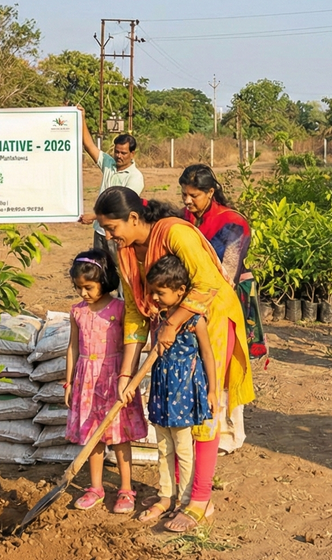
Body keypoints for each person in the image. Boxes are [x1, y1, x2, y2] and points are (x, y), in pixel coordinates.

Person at [94, 187, 254, 534]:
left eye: (111, 228)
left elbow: (208, 283)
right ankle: (171, 496)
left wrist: (174, 321)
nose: (108, 236)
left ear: (133, 218)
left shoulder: (175, 233)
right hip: (170, 332)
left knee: (204, 411)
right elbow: (137, 312)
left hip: (208, 322)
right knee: (172, 419)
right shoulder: (124, 254)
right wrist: (126, 373)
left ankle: (200, 500)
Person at [181, 164, 264, 451]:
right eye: (184, 195)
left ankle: (226, 434)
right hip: (193, 301)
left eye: (193, 195)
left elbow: (227, 271)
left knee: (221, 366)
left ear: (210, 192)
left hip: (221, 302)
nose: (187, 201)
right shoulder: (187, 218)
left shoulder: (232, 223)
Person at [134, 254, 217, 527]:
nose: (155, 297)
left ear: (181, 291)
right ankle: (165, 495)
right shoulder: (160, 318)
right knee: (162, 447)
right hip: (161, 388)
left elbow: (207, 355)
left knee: (183, 448)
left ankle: (185, 500)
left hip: (183, 392)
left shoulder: (195, 321)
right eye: (152, 292)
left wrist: (212, 391)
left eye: (161, 292)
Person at [65, 251, 146, 514]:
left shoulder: (121, 308)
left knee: (120, 436)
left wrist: (129, 378)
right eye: (79, 288)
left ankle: (125, 489)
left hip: (114, 377)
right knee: (93, 436)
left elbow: (132, 343)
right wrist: (69, 382)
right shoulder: (77, 312)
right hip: (87, 379)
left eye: (88, 287)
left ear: (105, 280)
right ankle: (96, 487)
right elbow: (73, 348)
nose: (83, 293)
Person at [78, 110, 144, 257]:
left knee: (119, 273)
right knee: (101, 271)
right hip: (100, 230)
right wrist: (82, 118)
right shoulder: (108, 163)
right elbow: (88, 144)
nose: (119, 156)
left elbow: (121, 206)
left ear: (132, 154)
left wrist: (94, 216)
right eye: (117, 152)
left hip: (118, 234)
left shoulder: (135, 177)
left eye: (123, 153)